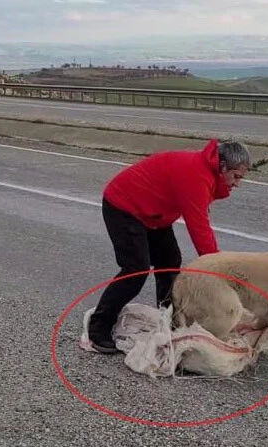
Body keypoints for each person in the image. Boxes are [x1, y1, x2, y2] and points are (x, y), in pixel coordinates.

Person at [87, 138, 252, 353]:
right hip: (124, 206)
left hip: (154, 214)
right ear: (222, 167)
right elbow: (199, 227)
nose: (237, 183)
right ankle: (98, 329)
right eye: (236, 176)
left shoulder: (207, 172)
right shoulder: (197, 175)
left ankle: (167, 321)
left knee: (170, 263)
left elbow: (199, 218)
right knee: (136, 270)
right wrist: (219, 269)